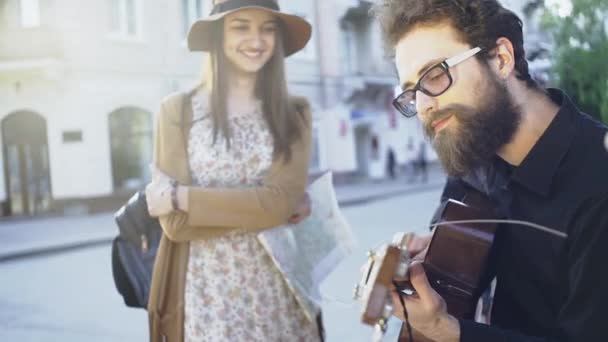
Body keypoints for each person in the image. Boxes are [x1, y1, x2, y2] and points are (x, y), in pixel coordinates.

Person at [372, 0, 608, 341]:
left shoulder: (597, 184)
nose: (423, 106)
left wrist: (446, 331)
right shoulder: (475, 147)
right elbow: (461, 254)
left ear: (500, 59)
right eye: (411, 92)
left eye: (435, 75)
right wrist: (437, 251)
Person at [144, 1, 322, 341]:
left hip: (281, 297)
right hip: (208, 301)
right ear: (217, 35)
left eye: (268, 29)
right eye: (241, 26)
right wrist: (267, 208)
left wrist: (181, 197)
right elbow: (176, 226)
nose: (256, 41)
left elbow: (279, 203)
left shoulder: (294, 112)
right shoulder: (177, 111)